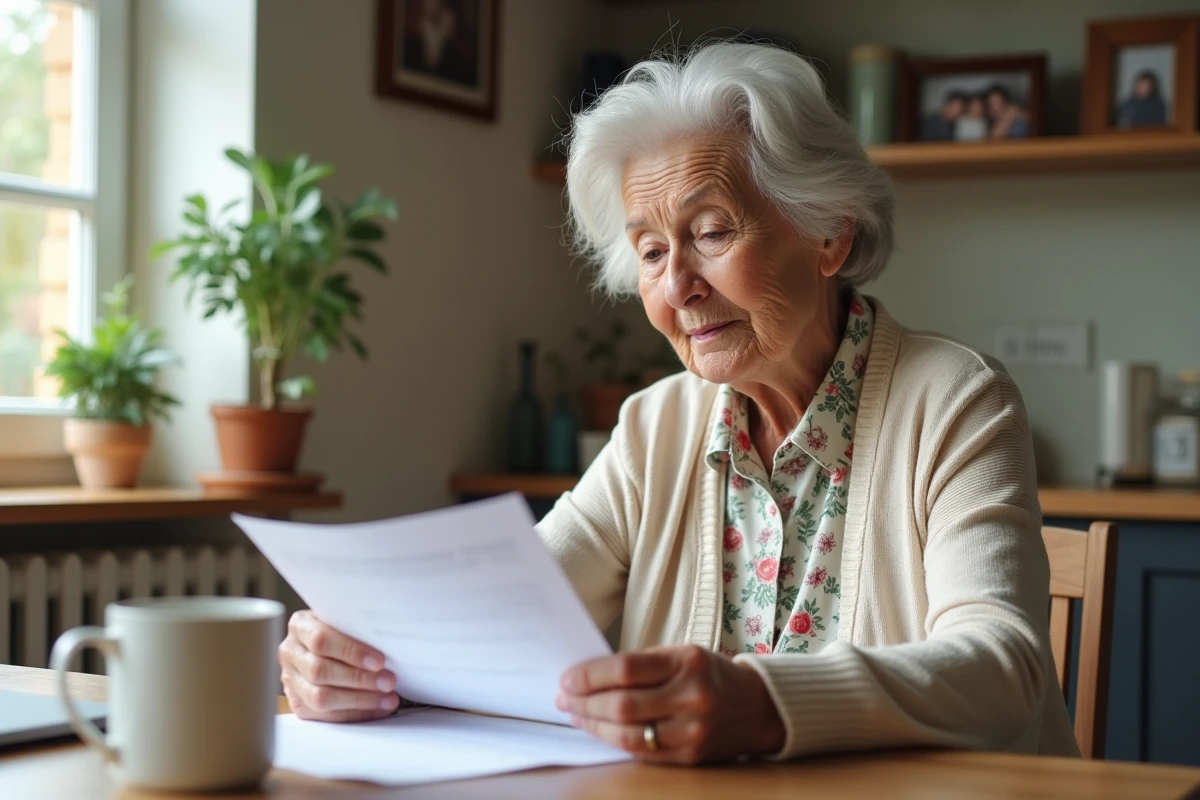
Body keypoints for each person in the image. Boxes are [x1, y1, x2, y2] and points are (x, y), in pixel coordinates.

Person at [277, 43, 1078, 764]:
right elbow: (499, 622)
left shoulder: (957, 401)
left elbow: (1002, 668)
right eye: (652, 251)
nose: (677, 288)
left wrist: (764, 704)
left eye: (713, 232)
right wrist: (358, 660)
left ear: (829, 234)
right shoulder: (654, 427)